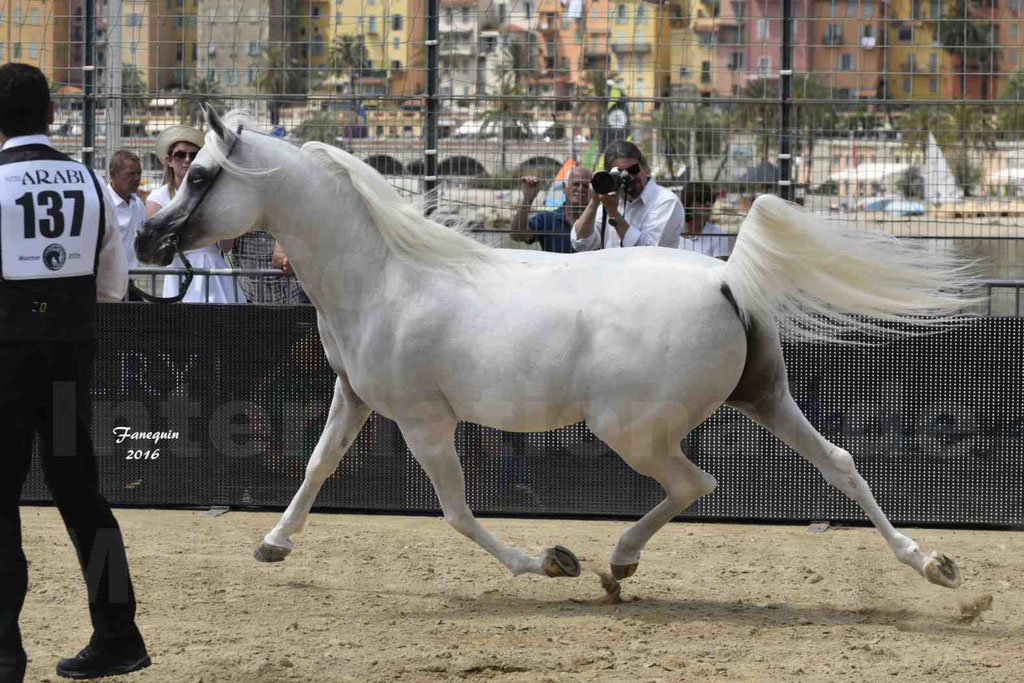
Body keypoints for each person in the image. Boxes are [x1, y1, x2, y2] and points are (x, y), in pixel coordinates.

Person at [0, 63, 150, 682]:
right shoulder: (90, 182)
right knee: (82, 497)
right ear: (51, 116)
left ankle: (6, 653)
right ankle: (118, 635)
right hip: (68, 361)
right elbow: (114, 286)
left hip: (5, 363)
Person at [145, 124, 245, 303]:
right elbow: (156, 252)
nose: (187, 160)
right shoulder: (157, 198)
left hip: (214, 271)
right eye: (180, 155)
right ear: (169, 160)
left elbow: (226, 246)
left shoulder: (217, 196)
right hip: (179, 271)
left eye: (194, 155)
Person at [570, 140, 682, 251]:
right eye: (621, 174)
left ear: (645, 166)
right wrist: (594, 203)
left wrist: (614, 215)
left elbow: (649, 252)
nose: (630, 178)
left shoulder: (666, 201)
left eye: (633, 170)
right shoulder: (611, 201)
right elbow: (581, 244)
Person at [510, 166, 592, 254]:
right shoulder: (547, 219)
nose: (580, 189)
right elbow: (517, 235)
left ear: (592, 191)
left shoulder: (598, 221)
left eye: (586, 186)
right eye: (575, 184)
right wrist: (527, 199)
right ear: (564, 187)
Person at [225, 223, 310, 304]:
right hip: (248, 299)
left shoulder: (285, 217)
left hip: (289, 299)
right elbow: (224, 247)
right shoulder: (240, 218)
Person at [104, 150, 147, 300]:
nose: (137, 179)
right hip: (106, 286)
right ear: (113, 173)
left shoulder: (138, 204)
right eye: (130, 174)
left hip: (128, 283)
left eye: (139, 173)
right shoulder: (103, 203)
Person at [678, 182, 731, 261]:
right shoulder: (673, 233)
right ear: (688, 204)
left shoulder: (719, 235)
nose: (708, 205)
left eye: (710, 201)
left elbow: (719, 269)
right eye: (701, 201)